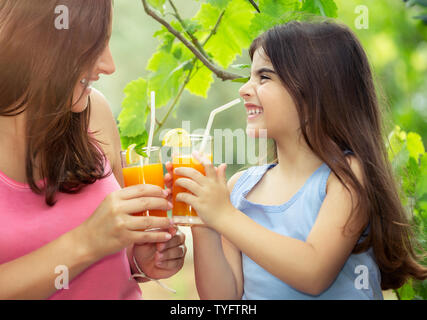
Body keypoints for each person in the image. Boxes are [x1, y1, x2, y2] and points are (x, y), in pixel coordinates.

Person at [169, 20, 427, 299]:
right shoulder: (239, 188)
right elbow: (223, 299)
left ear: (315, 92)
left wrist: (224, 216)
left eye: (264, 77)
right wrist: (205, 223)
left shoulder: (346, 177)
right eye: (250, 76)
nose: (244, 89)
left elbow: (313, 273)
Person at [0, 0, 186, 300]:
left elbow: (118, 254)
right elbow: (95, 239)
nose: (109, 66)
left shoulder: (92, 110)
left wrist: (140, 260)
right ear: (40, 40)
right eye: (94, 45)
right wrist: (87, 241)